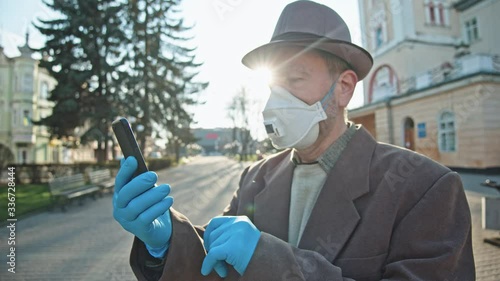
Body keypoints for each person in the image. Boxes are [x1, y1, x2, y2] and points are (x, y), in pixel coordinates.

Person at [113, 1, 475, 280]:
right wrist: (165, 243)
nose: (277, 101)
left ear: (344, 88)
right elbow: (214, 269)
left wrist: (267, 259)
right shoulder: (256, 178)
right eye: (274, 86)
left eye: (296, 80)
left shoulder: (424, 188)